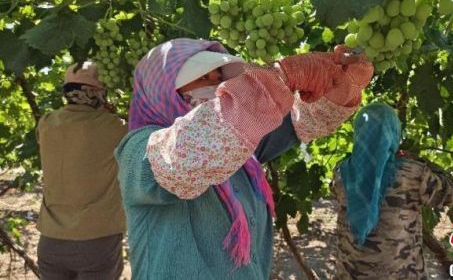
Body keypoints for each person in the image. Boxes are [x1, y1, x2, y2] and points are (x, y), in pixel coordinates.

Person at [114, 38, 373, 279]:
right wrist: (281, 76)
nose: (215, 87)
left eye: (219, 78)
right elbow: (188, 153)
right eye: (203, 77)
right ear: (161, 88)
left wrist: (338, 87)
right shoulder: (139, 151)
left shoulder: (236, 147)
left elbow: (296, 123)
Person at [332, 103, 453, 280]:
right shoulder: (413, 173)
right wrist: (421, 161)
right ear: (393, 132)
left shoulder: (341, 172)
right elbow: (450, 194)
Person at [36, 62, 128, 280]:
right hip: (98, 241)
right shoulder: (116, 127)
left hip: (50, 240)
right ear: (99, 93)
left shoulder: (47, 123)